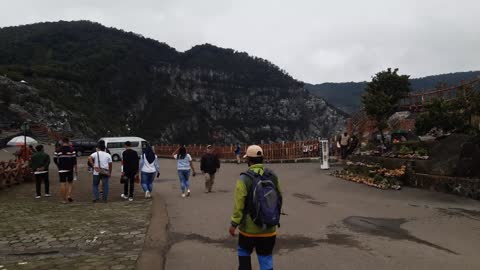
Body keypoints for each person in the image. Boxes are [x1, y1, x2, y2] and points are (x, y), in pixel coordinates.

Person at [229, 145, 282, 270]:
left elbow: (239, 205)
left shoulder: (244, 178)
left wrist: (234, 224)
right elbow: (279, 198)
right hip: (269, 228)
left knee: (243, 252)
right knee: (266, 258)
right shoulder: (272, 176)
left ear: (248, 160)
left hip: (248, 229)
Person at [53, 138, 77, 203]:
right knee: (70, 183)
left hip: (61, 169)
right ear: (68, 142)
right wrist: (76, 170)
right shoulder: (72, 150)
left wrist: (58, 165)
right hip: (70, 169)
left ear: (62, 142)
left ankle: (64, 200)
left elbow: (54, 159)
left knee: (62, 183)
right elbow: (74, 161)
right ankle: (69, 195)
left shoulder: (57, 150)